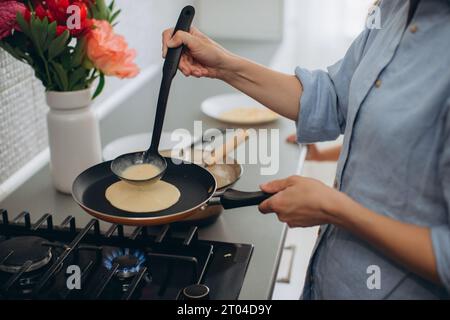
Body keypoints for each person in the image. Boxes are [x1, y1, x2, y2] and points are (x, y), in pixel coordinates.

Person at [162, 0, 450, 299]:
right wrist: (223, 64)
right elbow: (332, 97)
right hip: (329, 278)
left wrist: (335, 209)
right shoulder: (395, 9)